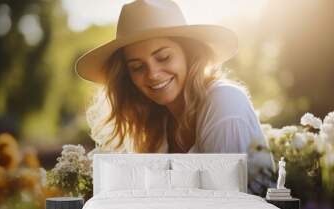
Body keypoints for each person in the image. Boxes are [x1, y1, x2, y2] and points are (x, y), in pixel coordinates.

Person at [76, 0, 274, 192]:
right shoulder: (157, 123)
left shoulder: (224, 102)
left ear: (189, 53)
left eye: (163, 57)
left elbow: (228, 208)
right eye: (137, 67)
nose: (152, 74)